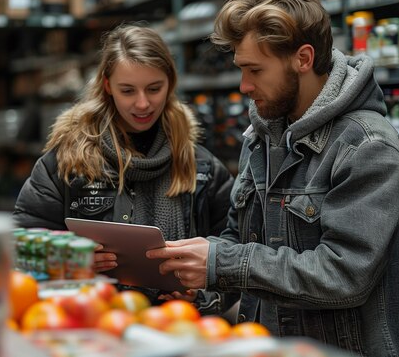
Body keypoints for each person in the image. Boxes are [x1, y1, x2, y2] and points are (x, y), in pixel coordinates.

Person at [147, 0, 399, 355]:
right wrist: (198, 273)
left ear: (303, 59)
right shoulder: (262, 135)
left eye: (255, 70)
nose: (244, 85)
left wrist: (220, 263)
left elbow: (343, 275)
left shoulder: (367, 146)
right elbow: (241, 240)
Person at [13, 24, 234, 302]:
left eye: (154, 89)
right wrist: (69, 264)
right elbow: (21, 246)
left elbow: (232, 253)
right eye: (128, 91)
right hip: (93, 323)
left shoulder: (202, 168)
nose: (142, 104)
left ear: (170, 83)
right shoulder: (68, 161)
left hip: (179, 326)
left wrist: (202, 296)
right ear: (108, 86)